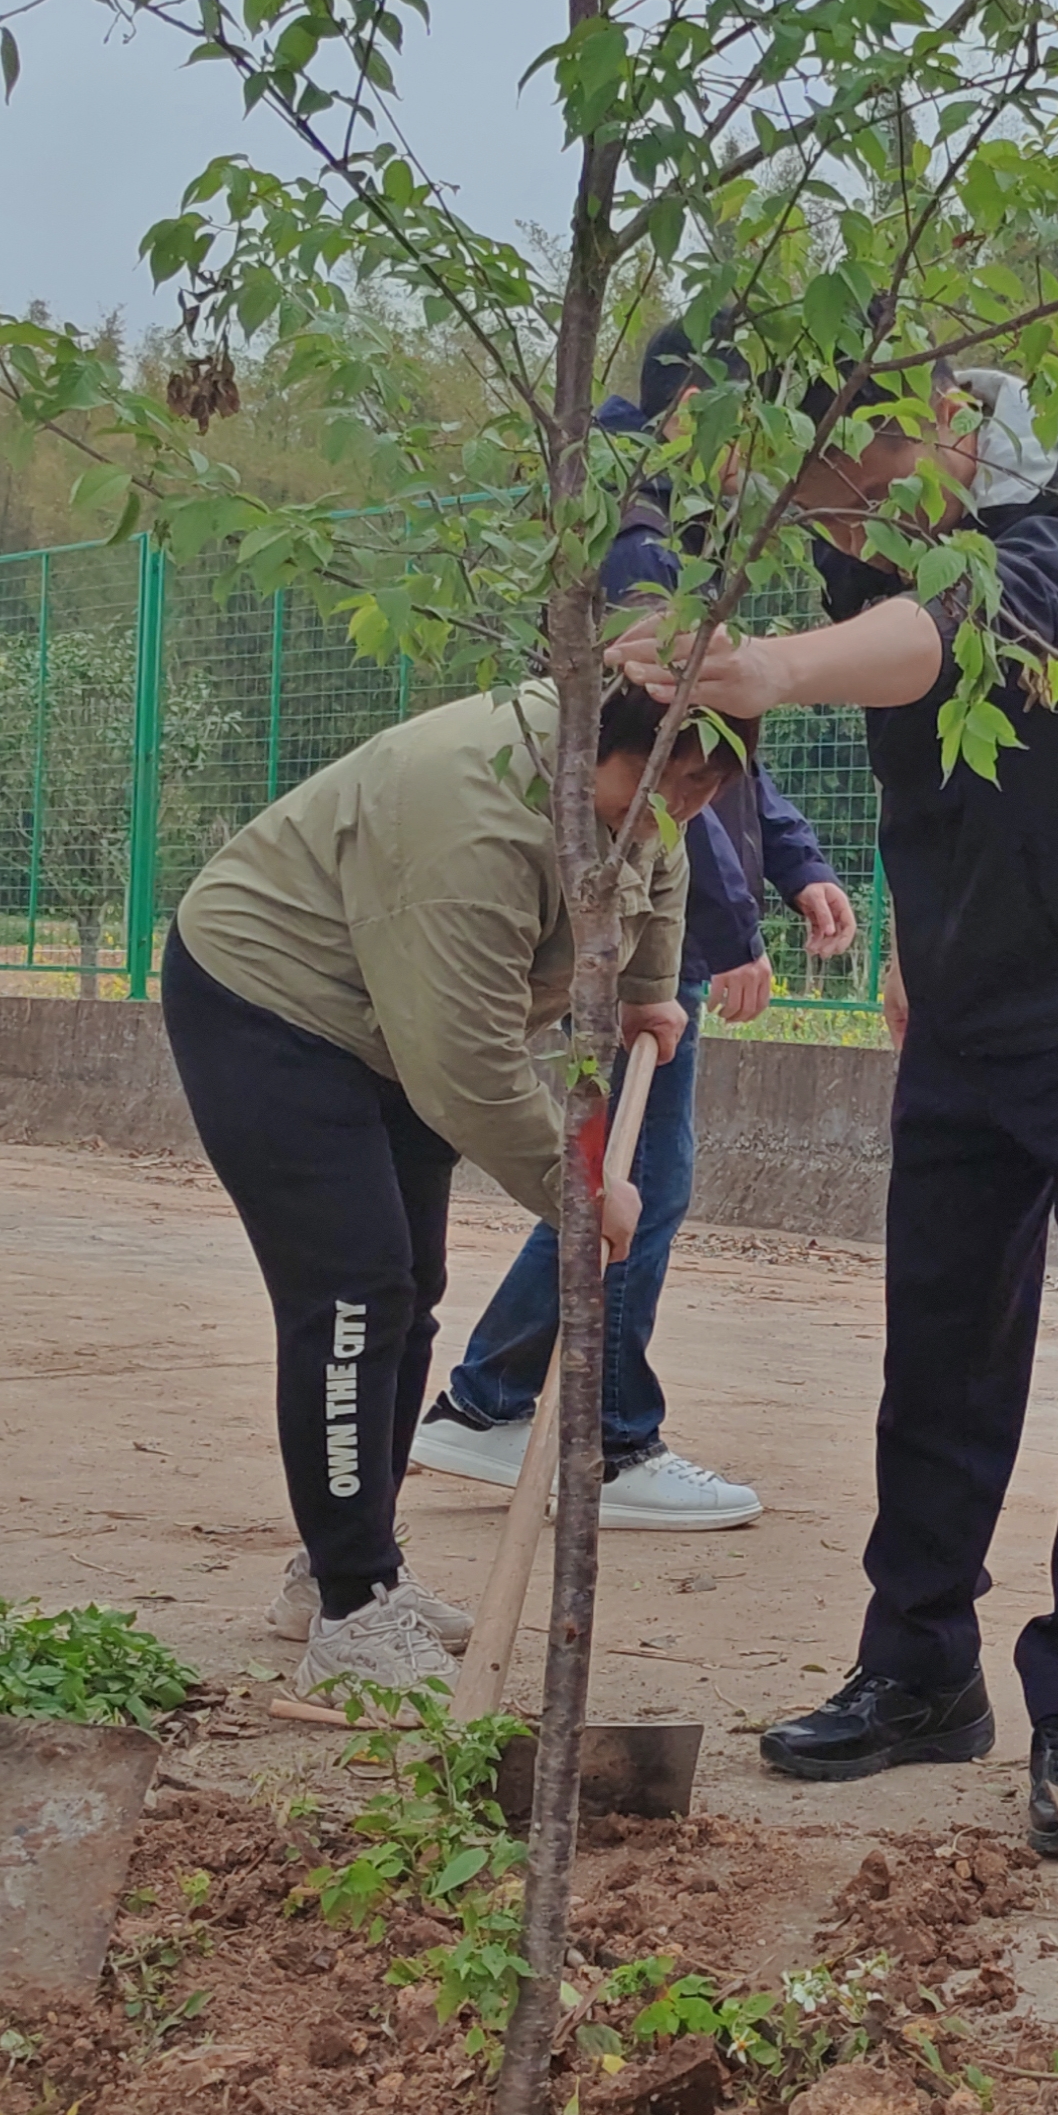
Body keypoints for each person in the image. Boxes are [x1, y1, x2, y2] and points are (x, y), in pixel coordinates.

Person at [609, 362, 1058, 1862]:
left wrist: (769, 668)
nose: (834, 515)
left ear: (952, 424)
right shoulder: (864, 535)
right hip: (966, 1002)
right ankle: (919, 1667)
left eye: (852, 471)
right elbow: (916, 727)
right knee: (941, 1339)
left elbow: (940, 637)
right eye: (809, 484)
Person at [164, 677, 718, 1693]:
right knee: (350, 1295)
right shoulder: (474, 822)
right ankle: (350, 1607)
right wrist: (579, 1188)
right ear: (593, 743)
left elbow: (663, 853)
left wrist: (648, 992)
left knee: (407, 1290)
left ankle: (345, 1565)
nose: (675, 809)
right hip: (270, 1000)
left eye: (701, 786)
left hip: (391, 1019)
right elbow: (465, 1069)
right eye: (661, 782)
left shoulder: (647, 784)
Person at [410, 369, 861, 1532]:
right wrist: (723, 930)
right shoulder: (636, 556)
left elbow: (727, 764)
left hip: (666, 922)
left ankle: (486, 1402)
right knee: (637, 1183)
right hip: (634, 922)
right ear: (691, 407)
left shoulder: (705, 549)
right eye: (757, 418)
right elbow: (655, 776)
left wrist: (797, 861)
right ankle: (609, 1441)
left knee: (629, 1177)